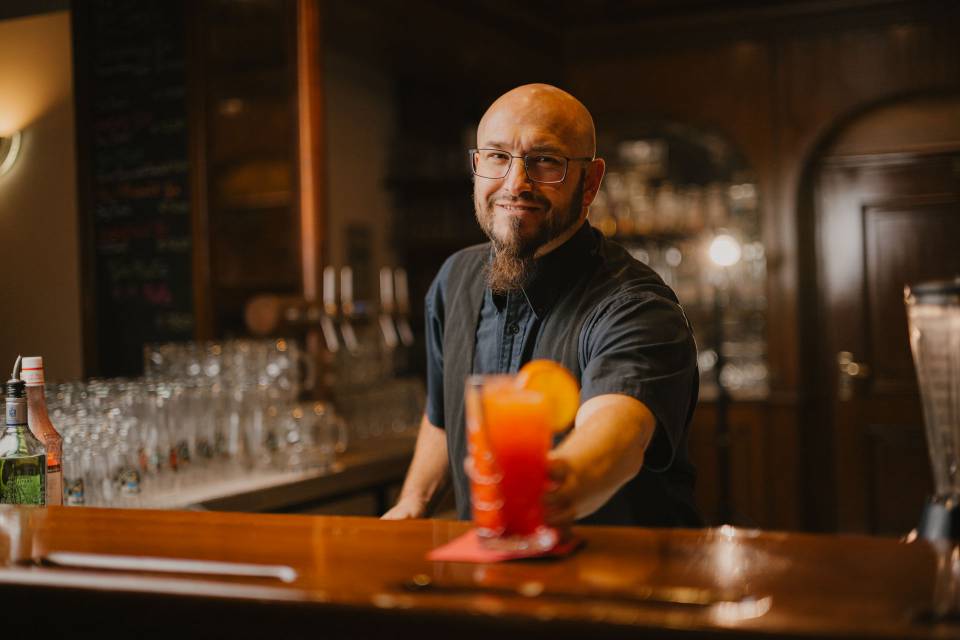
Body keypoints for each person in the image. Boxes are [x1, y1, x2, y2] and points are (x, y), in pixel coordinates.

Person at [382, 83, 701, 528]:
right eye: (496, 156)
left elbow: (619, 432)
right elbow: (441, 414)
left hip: (619, 582)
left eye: (545, 161)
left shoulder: (636, 306)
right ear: (476, 166)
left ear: (590, 182)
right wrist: (412, 503)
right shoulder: (453, 280)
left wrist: (559, 481)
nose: (516, 183)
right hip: (497, 574)